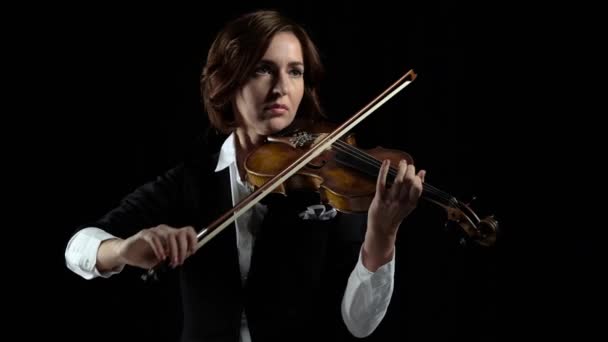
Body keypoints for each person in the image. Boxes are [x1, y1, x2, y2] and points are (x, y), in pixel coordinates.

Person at [64, 9, 426, 342]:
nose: (282, 87)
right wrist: (122, 250)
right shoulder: (191, 180)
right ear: (228, 80)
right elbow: (79, 246)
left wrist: (382, 234)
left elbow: (359, 323)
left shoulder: (326, 181)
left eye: (295, 71)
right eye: (263, 69)